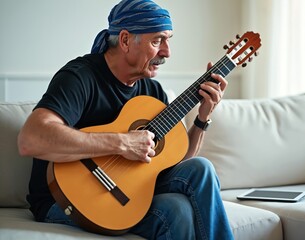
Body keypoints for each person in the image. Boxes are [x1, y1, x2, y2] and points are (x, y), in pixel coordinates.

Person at [17, 0, 234, 239]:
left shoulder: (152, 93)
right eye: (157, 40)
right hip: (62, 198)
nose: (167, 52)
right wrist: (123, 143)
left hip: (127, 191)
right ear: (125, 40)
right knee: (177, 212)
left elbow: (177, 161)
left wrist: (203, 117)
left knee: (201, 168)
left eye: (168, 40)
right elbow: (31, 139)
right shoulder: (80, 77)